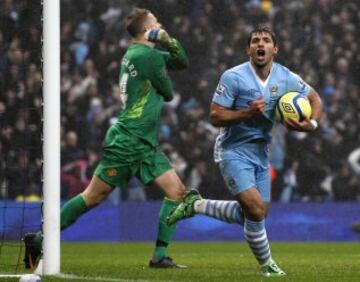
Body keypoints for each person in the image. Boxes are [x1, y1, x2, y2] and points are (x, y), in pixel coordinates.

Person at [24, 7, 190, 269]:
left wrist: (169, 42)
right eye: (157, 22)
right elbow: (169, 92)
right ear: (148, 29)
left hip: (142, 141)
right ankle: (40, 239)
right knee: (92, 197)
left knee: (176, 191)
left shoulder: (136, 54)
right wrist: (167, 48)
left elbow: (181, 63)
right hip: (129, 140)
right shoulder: (148, 57)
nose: (161, 23)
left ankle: (159, 256)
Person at [167, 26, 323, 277]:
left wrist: (312, 124)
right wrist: (246, 113)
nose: (260, 44)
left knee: (256, 213)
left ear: (275, 48)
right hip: (232, 149)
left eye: (266, 41)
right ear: (248, 49)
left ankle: (194, 205)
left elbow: (315, 98)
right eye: (255, 41)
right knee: (255, 210)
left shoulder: (285, 78)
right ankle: (268, 266)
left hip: (261, 152)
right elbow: (215, 116)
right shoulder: (233, 77)